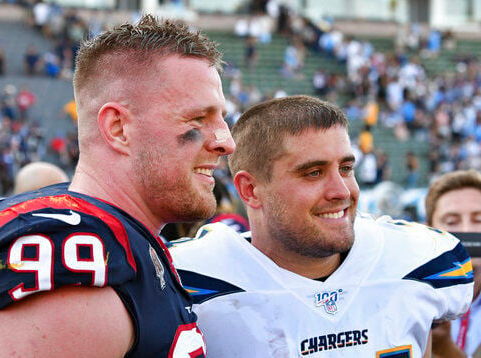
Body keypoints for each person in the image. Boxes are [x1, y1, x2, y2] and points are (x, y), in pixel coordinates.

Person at [0, 15, 234, 357]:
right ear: (119, 128)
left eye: (221, 117)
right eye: (198, 118)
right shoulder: (80, 264)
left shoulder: (121, 236)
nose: (227, 142)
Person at [170, 95, 473, 357]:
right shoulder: (185, 279)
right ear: (250, 190)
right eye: (313, 173)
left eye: (345, 168)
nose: (341, 191)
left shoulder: (424, 258)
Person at [426, 170, 481, 358]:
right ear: (429, 229)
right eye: (452, 221)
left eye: (478, 220)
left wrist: (444, 349)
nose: (466, 230)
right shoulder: (407, 299)